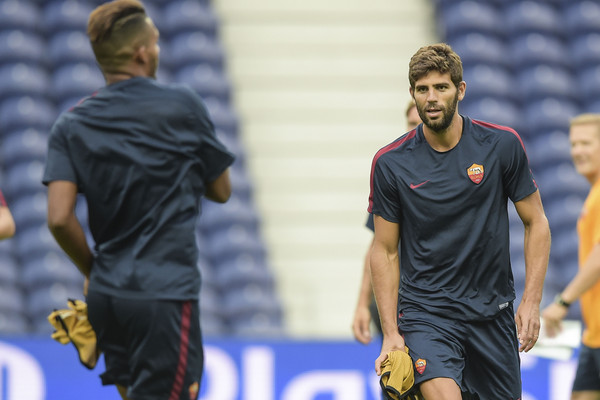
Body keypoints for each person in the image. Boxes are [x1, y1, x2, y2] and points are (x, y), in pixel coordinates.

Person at [42, 1, 234, 399]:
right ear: (143, 53)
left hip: (106, 296)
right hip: (162, 293)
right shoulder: (182, 105)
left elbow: (59, 218)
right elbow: (222, 190)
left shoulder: (71, 123)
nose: (159, 50)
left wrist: (94, 269)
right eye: (157, 43)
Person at [368, 43, 551, 399]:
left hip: (492, 313)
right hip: (427, 314)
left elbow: (537, 223)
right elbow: (385, 250)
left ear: (460, 90)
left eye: (441, 87)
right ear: (412, 94)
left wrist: (531, 301)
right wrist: (391, 332)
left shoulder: (501, 145)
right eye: (422, 89)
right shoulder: (389, 163)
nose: (431, 98)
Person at [352, 100, 421, 344]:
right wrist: (362, 303)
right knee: (399, 377)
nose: (414, 129)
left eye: (419, 123)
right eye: (411, 123)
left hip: (434, 303)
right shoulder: (393, 171)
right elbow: (376, 245)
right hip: (397, 303)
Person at [542, 113, 600, 400]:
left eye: (586, 143)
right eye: (574, 144)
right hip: (594, 335)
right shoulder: (594, 194)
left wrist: (563, 301)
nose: (577, 151)